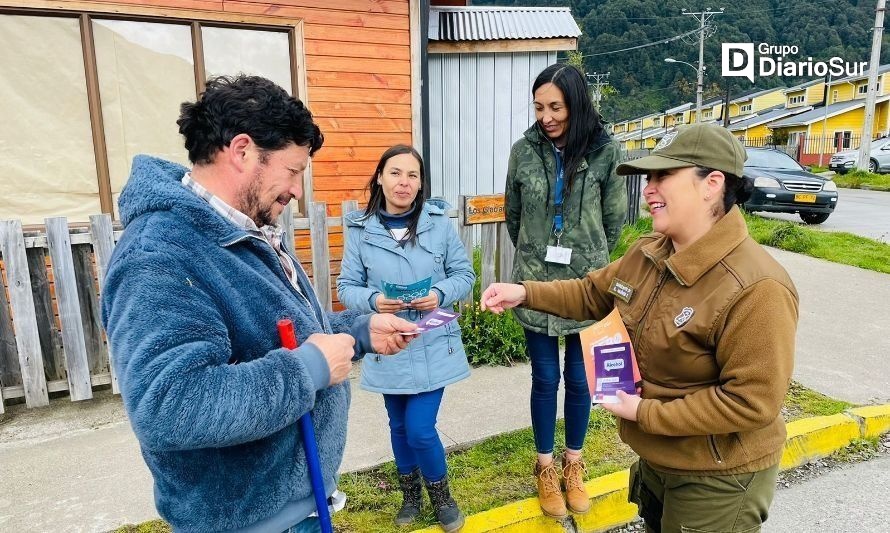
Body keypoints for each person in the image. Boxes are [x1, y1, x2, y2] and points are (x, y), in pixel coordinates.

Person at [100, 75, 420, 533]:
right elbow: (168, 405)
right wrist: (306, 369)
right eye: (292, 171)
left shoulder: (242, 228)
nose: (295, 190)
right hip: (251, 522)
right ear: (243, 150)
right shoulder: (159, 255)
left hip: (301, 500)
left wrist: (359, 330)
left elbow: (276, 331)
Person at [481, 123, 799, 533]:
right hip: (658, 460)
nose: (648, 189)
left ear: (712, 184)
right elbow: (592, 293)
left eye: (662, 176)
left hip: (717, 477)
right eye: (647, 177)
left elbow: (752, 401)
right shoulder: (649, 251)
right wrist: (524, 292)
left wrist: (643, 412)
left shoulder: (757, 287)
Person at [504, 63, 627, 517]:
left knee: (578, 379)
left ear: (576, 104)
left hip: (586, 288)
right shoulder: (523, 150)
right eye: (539, 107)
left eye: (556, 106)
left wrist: (588, 262)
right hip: (535, 284)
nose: (547, 116)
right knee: (544, 378)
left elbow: (615, 221)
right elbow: (513, 215)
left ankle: (574, 464)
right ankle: (544, 467)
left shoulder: (606, 152)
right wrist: (536, 258)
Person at [336, 145, 474, 532]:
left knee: (419, 428)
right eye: (395, 173)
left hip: (432, 337)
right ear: (380, 177)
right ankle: (410, 495)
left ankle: (442, 497)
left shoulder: (438, 223)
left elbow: (464, 275)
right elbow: (347, 287)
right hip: (389, 342)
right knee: (398, 427)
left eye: (412, 175)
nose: (404, 182)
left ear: (420, 183)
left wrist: (441, 294)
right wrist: (375, 300)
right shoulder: (360, 230)